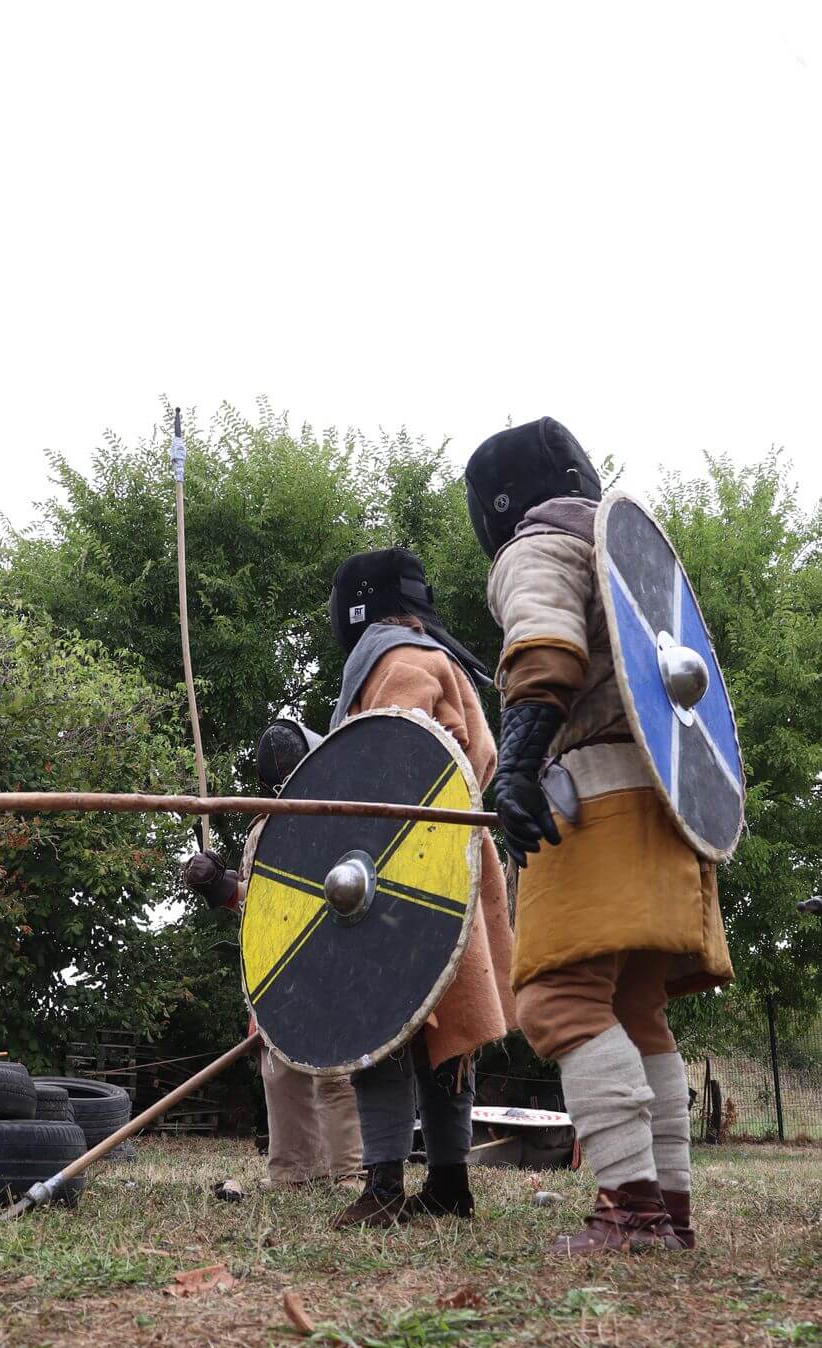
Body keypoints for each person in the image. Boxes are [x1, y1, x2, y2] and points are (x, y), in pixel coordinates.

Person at [464, 416, 734, 1255]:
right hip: (671, 806)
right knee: (633, 1006)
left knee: (558, 999)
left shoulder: (538, 545)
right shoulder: (616, 555)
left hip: (595, 802)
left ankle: (631, 1211)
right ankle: (668, 1212)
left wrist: (515, 764)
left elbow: (545, 647)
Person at [325, 546, 516, 1227]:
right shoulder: (438, 659)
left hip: (403, 867)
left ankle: (384, 1186)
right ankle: (448, 1184)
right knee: (446, 1032)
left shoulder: (397, 661)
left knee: (378, 1023)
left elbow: (396, 764)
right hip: (452, 862)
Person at [184, 720, 364, 1189]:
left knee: (333, 1069)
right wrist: (220, 885)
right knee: (281, 1069)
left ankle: (350, 1172)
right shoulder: (262, 830)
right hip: (279, 966)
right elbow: (261, 902)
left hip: (331, 957)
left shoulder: (340, 817)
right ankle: (295, 1172)